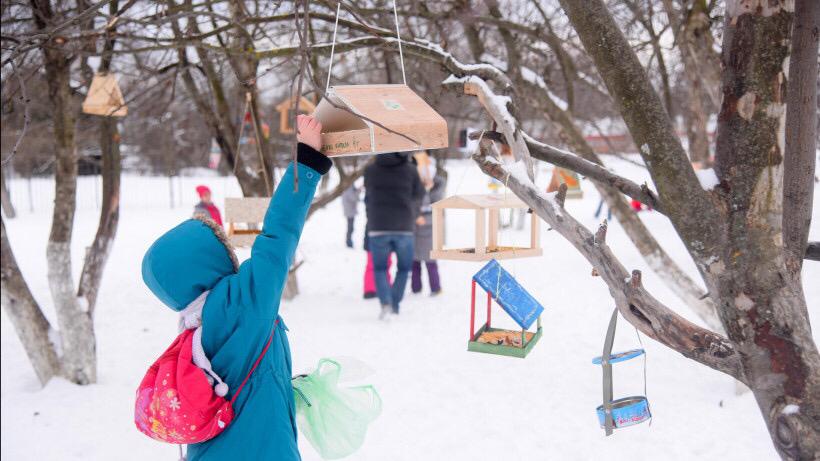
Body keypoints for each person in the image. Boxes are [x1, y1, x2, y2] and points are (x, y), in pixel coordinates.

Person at [142, 115, 331, 461]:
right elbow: (277, 238)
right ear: (209, 260)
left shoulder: (195, 326)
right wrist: (307, 160)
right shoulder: (240, 304)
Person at [364, 152, 424, 320]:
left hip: (378, 226)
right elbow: (419, 194)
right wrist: (413, 212)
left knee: (380, 268)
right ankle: (394, 304)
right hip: (404, 225)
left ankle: (385, 303)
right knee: (404, 268)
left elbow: (368, 196)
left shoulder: (370, 170)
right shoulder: (410, 169)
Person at [412, 162, 445, 296]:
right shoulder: (415, 188)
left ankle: (435, 288)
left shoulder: (437, 190)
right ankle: (416, 288)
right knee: (415, 262)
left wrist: (429, 182)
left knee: (430, 262)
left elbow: (433, 206)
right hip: (416, 230)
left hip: (430, 231)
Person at [342, 184, 360, 248]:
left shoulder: (349, 185)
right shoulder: (349, 186)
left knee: (351, 227)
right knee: (350, 228)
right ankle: (348, 242)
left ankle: (349, 241)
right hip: (349, 211)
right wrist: (358, 191)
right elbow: (353, 198)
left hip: (350, 210)